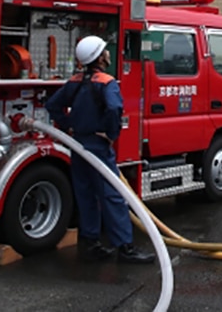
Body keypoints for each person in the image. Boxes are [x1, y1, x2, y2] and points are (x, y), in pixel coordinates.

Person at [44, 35, 155, 264]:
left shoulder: (75, 81)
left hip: (78, 146)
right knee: (112, 196)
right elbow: (114, 108)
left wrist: (68, 126)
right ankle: (125, 247)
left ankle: (91, 242)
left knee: (86, 195)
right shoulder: (107, 82)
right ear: (100, 56)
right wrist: (112, 134)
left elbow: (52, 105)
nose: (108, 54)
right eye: (105, 50)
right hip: (98, 146)